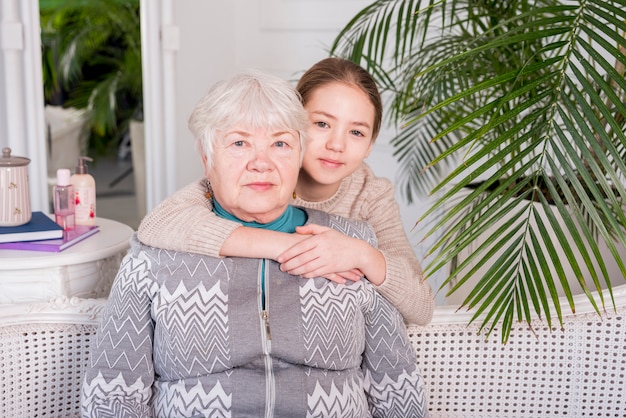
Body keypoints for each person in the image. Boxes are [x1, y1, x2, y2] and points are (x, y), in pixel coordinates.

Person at [81, 70, 428, 417]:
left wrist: (364, 255)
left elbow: (397, 387)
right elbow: (112, 393)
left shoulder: (358, 236)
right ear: (206, 157)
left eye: (280, 144)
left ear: (299, 151)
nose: (261, 163)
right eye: (239, 143)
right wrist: (286, 246)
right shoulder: (157, 252)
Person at [138, 58, 434, 325]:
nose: (336, 144)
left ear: (370, 145)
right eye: (321, 123)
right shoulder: (253, 178)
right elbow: (157, 224)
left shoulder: (370, 195)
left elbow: (421, 305)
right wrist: (290, 246)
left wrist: (361, 253)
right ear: (291, 124)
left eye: (356, 132)